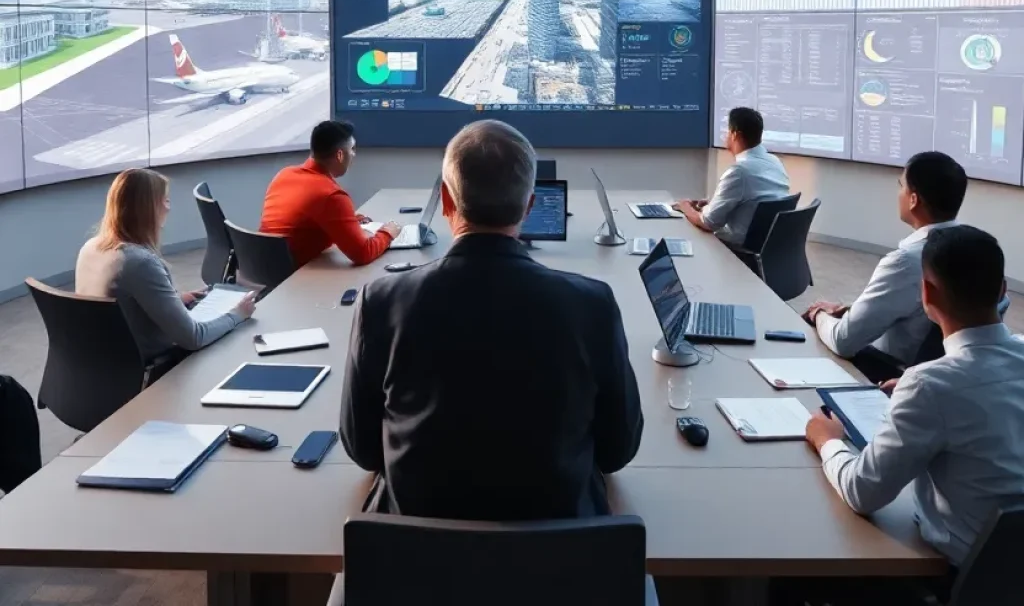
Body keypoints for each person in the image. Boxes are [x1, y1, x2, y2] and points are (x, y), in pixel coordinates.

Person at [340, 119, 643, 520]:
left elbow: (363, 450)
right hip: (562, 566)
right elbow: (617, 451)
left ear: (446, 201)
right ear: (531, 205)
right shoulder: (592, 304)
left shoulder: (382, 301)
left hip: (414, 565)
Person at [806, 225, 1024, 568]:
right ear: (1002, 290)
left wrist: (827, 440)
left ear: (926, 295)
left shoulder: (930, 385)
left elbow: (862, 493)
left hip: (965, 576)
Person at [804, 150, 967, 382]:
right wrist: (849, 309)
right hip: (944, 375)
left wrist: (818, 313)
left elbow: (844, 341)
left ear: (913, 200)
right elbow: (915, 307)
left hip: (891, 373)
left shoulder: (906, 262)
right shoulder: (975, 249)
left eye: (901, 185)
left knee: (815, 338)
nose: (898, 193)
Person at [76, 169, 256, 366]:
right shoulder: (140, 263)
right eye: (166, 200)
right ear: (148, 209)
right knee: (239, 339)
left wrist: (173, 301)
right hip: (152, 369)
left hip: (108, 363)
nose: (169, 208)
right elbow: (193, 338)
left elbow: (122, 305)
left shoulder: (90, 247)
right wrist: (237, 315)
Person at [260, 120, 400, 268]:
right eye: (352, 149)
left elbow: (304, 222)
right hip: (292, 278)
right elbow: (363, 253)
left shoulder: (284, 174)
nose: (354, 154)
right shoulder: (331, 195)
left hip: (264, 267)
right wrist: (388, 233)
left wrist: (347, 221)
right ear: (340, 155)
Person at [674, 106, 789, 245]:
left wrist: (685, 206)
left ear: (735, 135)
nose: (725, 135)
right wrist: (713, 205)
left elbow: (708, 223)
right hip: (766, 243)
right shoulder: (775, 161)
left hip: (737, 246)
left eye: (726, 130)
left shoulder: (739, 172)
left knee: (689, 229)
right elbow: (754, 201)